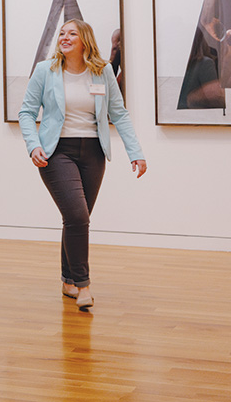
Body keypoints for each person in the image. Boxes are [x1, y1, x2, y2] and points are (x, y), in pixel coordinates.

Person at [19, 19, 148, 310]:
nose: (64, 37)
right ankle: (83, 284)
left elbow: (120, 114)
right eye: (62, 33)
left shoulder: (101, 72)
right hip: (56, 152)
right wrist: (33, 144)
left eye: (71, 33)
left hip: (93, 153)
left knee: (77, 218)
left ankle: (67, 279)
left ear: (84, 39)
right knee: (78, 216)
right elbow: (26, 112)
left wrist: (135, 152)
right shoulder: (45, 71)